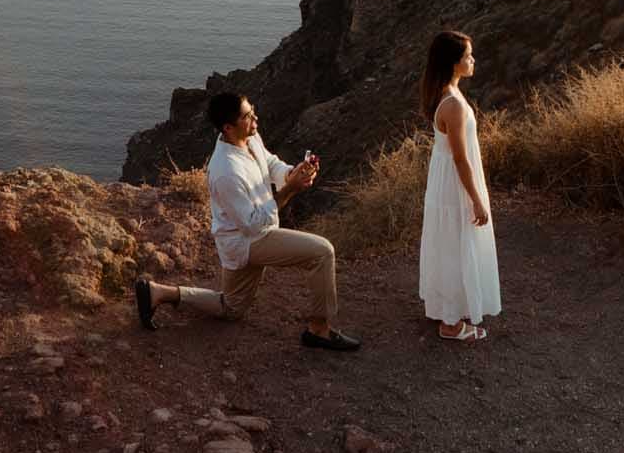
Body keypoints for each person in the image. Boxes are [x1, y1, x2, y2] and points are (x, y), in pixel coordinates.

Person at [134, 91, 362, 352]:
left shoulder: (249, 138)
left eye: (252, 110)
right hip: (246, 241)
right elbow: (253, 226)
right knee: (323, 252)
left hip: (255, 231)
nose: (255, 117)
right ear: (228, 128)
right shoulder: (225, 171)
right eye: (247, 115)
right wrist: (291, 190)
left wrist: (291, 173)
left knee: (231, 309)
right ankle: (319, 330)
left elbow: (270, 162)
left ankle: (158, 292)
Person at [418, 30, 500, 342]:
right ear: (454, 63)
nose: (472, 60)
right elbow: (461, 159)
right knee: (455, 245)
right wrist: (477, 200)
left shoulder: (447, 93)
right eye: (467, 56)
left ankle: (447, 308)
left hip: (447, 181)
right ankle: (450, 324)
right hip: (455, 183)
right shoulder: (453, 104)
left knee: (450, 243)